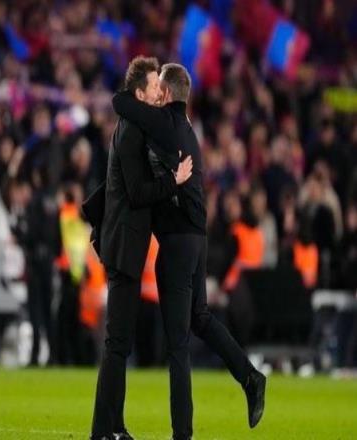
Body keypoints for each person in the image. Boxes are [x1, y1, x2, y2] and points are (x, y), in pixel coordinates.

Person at [112, 62, 266, 440]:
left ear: (166, 93)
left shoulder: (165, 122)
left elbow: (120, 102)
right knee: (200, 319)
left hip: (178, 243)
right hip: (197, 240)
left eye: (158, 89)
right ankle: (249, 376)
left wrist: (141, 95)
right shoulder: (188, 130)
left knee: (178, 345)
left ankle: (183, 434)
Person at [86, 56, 193, 440]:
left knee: (120, 343)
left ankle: (115, 427)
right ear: (139, 93)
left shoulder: (132, 125)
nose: (158, 93)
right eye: (153, 87)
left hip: (125, 244)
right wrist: (173, 182)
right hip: (124, 247)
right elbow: (136, 192)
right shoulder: (131, 131)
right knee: (117, 344)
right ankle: (101, 431)